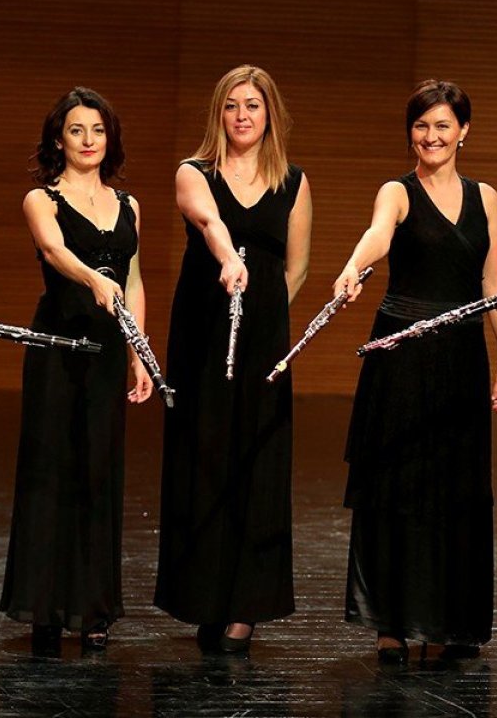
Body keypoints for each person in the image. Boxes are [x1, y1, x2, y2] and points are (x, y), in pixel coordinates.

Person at [334, 79, 497, 665]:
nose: (431, 136)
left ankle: (447, 620)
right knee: (398, 485)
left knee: (455, 488)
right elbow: (378, 235)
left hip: (461, 354)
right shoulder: (397, 191)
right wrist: (353, 267)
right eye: (421, 125)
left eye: (442, 125)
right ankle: (391, 623)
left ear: (464, 131)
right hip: (402, 355)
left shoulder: (486, 197)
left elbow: (492, 279)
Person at [154, 65, 313, 654]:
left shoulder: (293, 182)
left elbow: (297, 266)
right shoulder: (193, 172)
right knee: (203, 457)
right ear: (218, 114)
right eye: (231, 105)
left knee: (257, 461)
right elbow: (208, 220)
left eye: (253, 105)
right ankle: (204, 597)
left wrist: (266, 316)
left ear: (270, 114)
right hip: (201, 330)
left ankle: (245, 606)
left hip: (263, 338)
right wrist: (228, 259)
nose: (242, 115)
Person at [0, 88, 152, 655]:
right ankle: (45, 606)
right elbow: (54, 250)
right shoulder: (42, 199)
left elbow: (133, 280)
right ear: (58, 140)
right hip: (59, 345)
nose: (88, 141)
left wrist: (139, 352)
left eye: (98, 130)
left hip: (108, 351)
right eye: (76, 130)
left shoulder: (129, 204)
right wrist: (93, 278)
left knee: (98, 471)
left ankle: (92, 608)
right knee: (51, 470)